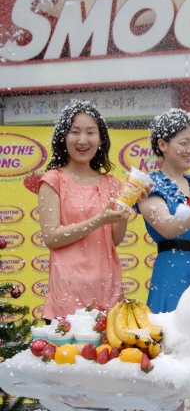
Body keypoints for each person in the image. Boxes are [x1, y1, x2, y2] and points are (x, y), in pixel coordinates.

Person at [135, 108, 190, 411]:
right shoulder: (150, 185)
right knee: (172, 364)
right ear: (162, 144)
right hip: (171, 272)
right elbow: (166, 226)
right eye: (183, 142)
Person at [38, 99, 131, 321]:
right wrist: (99, 220)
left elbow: (114, 240)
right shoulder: (52, 180)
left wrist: (124, 213)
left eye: (90, 132)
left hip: (108, 293)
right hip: (67, 297)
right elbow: (51, 237)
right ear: (63, 137)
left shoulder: (112, 184)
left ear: (101, 139)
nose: (83, 140)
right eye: (75, 132)